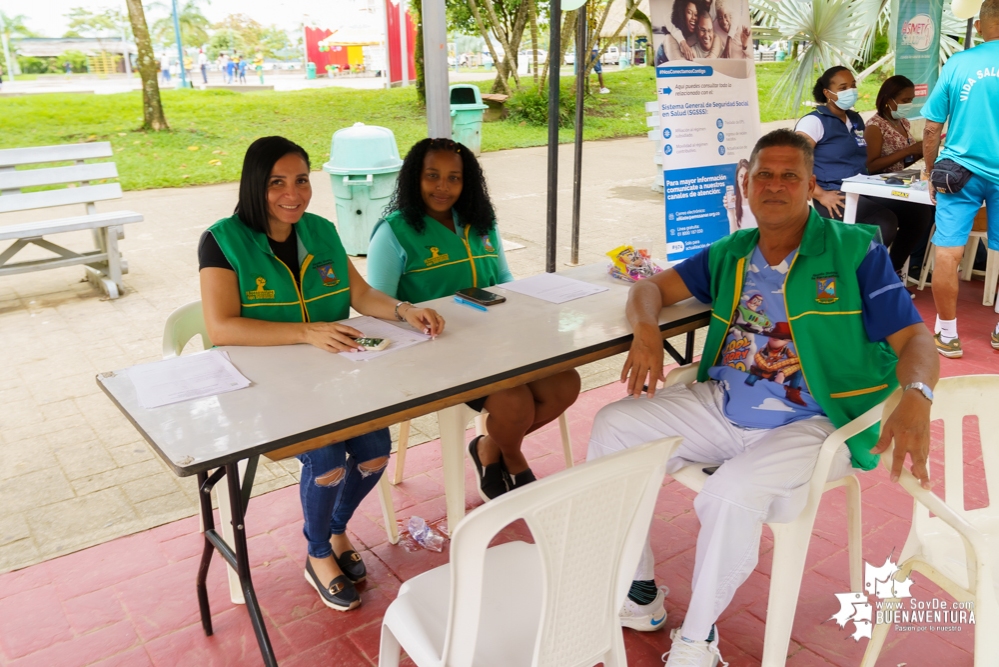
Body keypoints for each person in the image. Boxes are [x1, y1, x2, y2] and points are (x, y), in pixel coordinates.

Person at [587, 129, 938, 664]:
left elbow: (915, 338)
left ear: (811, 185)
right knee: (613, 425)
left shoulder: (853, 251)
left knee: (728, 495)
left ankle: (698, 639)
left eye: (789, 176)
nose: (775, 186)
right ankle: (639, 591)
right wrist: (645, 330)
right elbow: (649, 288)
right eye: (764, 175)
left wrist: (917, 394)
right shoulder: (732, 253)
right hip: (725, 404)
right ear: (745, 184)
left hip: (817, 421)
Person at [199, 136, 445, 612]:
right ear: (255, 185)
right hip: (265, 386)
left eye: (301, 181)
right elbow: (221, 326)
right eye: (277, 183)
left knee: (375, 450)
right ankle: (316, 555)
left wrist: (402, 308)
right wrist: (305, 333)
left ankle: (333, 531)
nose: (292, 194)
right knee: (329, 458)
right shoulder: (223, 240)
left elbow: (361, 294)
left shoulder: (321, 231)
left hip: (336, 376)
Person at [366, 138, 581, 500]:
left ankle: (489, 448)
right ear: (413, 179)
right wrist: (411, 312)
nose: (442, 187)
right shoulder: (394, 232)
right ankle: (512, 458)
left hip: (497, 341)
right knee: (514, 403)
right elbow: (375, 303)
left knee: (566, 384)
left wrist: (535, 305)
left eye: (454, 178)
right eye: (432, 176)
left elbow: (504, 281)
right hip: (438, 350)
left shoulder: (480, 223)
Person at [921, 0, 999, 358]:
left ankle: (948, 334)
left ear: (980, 27)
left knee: (948, 254)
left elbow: (932, 127)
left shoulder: (958, 63)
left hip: (958, 173)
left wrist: (927, 168)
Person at [795, 66, 900, 259]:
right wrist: (820, 194)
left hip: (864, 189)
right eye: (843, 88)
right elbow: (794, 163)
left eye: (852, 85)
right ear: (828, 93)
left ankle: (893, 271)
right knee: (884, 222)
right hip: (835, 194)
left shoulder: (855, 119)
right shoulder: (814, 122)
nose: (850, 91)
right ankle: (859, 276)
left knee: (917, 212)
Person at [864, 75, 935, 280]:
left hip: (901, 181)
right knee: (920, 214)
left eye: (911, 100)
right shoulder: (875, 126)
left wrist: (919, 153)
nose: (909, 105)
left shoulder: (902, 122)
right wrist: (908, 151)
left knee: (930, 208)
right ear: (888, 99)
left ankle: (907, 265)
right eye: (905, 100)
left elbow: (901, 162)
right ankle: (896, 269)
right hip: (878, 187)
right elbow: (872, 165)